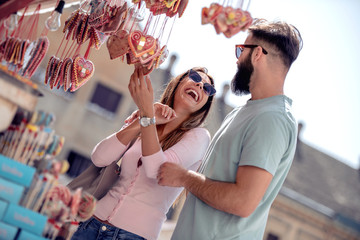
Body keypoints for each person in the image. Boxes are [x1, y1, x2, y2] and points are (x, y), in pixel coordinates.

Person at [157, 18, 303, 240]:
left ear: (256, 55)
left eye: (240, 51)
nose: (237, 61)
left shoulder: (272, 119)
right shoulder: (247, 111)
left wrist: (185, 178)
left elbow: (242, 202)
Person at [71, 66, 216, 240]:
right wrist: (143, 120)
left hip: (133, 235)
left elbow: (156, 170)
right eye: (195, 78)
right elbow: (99, 157)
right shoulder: (149, 119)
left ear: (204, 105)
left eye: (208, 89)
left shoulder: (199, 137)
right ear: (179, 82)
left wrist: (146, 115)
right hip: (92, 223)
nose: (201, 86)